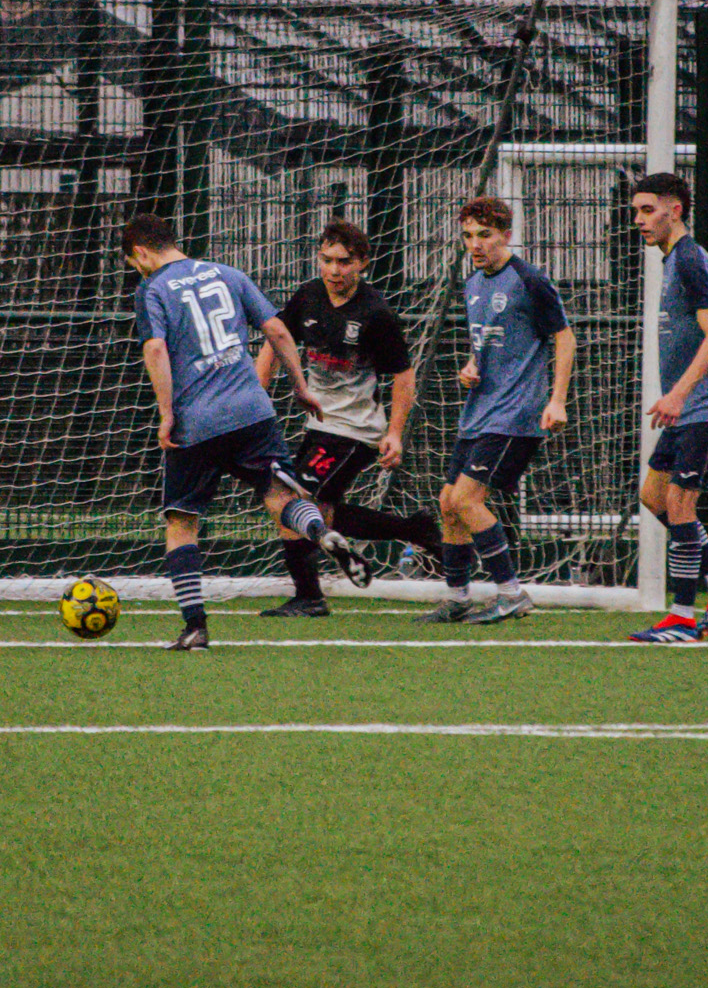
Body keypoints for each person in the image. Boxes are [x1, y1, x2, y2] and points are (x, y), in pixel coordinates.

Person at [123, 214, 347, 651]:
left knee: (182, 521)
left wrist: (166, 412)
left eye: (135, 262)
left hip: (198, 421)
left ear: (142, 253)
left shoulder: (151, 289)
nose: (138, 269)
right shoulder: (228, 274)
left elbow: (155, 348)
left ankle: (195, 626)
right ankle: (321, 533)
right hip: (251, 410)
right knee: (281, 498)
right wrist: (300, 388)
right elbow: (278, 330)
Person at [253, 218, 444, 616]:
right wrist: (258, 393)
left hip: (354, 430)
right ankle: (413, 530)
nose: (335, 271)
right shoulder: (307, 296)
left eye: (344, 262)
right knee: (317, 512)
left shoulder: (376, 313)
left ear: (363, 263)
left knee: (289, 499)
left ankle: (309, 596)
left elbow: (403, 376)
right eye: (327, 260)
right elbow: (275, 338)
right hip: (319, 424)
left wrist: (394, 432)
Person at [417, 195, 572, 626]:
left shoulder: (530, 280)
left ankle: (511, 593)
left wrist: (556, 400)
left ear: (506, 235)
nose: (475, 244)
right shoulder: (472, 285)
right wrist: (471, 367)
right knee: (449, 501)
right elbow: (487, 345)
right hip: (479, 410)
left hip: (515, 413)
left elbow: (564, 338)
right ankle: (457, 597)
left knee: (467, 499)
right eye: (468, 235)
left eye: (484, 235)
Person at [625, 173, 708, 643]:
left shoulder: (690, 260)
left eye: (647, 210)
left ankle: (681, 616)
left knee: (680, 503)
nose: (638, 219)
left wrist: (678, 393)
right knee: (654, 496)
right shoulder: (672, 260)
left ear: (675, 210)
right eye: (636, 210)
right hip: (693, 406)